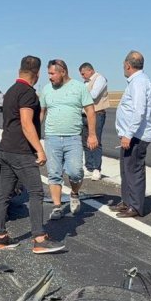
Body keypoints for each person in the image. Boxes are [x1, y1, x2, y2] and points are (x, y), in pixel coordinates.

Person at [0, 56, 64, 254]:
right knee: (36, 192)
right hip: (21, 151)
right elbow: (26, 122)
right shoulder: (27, 93)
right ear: (37, 74)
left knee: (3, 195)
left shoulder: (11, 91)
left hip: (5, 149)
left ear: (19, 70)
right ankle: (39, 238)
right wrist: (39, 149)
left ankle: (0, 237)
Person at [39, 59, 97, 220]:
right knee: (54, 174)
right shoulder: (46, 90)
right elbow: (42, 112)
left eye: (52, 73)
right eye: (48, 74)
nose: (49, 77)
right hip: (52, 138)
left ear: (63, 71)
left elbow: (90, 111)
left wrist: (92, 135)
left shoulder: (79, 87)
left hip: (73, 138)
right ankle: (57, 207)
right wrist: (36, 135)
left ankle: (74, 193)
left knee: (76, 172)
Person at [110, 51, 151, 218]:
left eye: (123, 65)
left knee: (134, 170)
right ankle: (127, 201)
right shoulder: (137, 81)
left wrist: (128, 134)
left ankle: (135, 206)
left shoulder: (139, 83)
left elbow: (139, 111)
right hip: (130, 135)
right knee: (126, 170)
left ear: (128, 65)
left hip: (136, 136)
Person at [78, 62, 109, 181]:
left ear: (90, 70)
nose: (82, 76)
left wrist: (80, 96)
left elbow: (94, 95)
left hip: (97, 114)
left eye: (83, 73)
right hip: (84, 115)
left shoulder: (100, 79)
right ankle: (89, 167)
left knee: (96, 141)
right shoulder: (85, 82)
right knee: (86, 141)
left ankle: (97, 168)